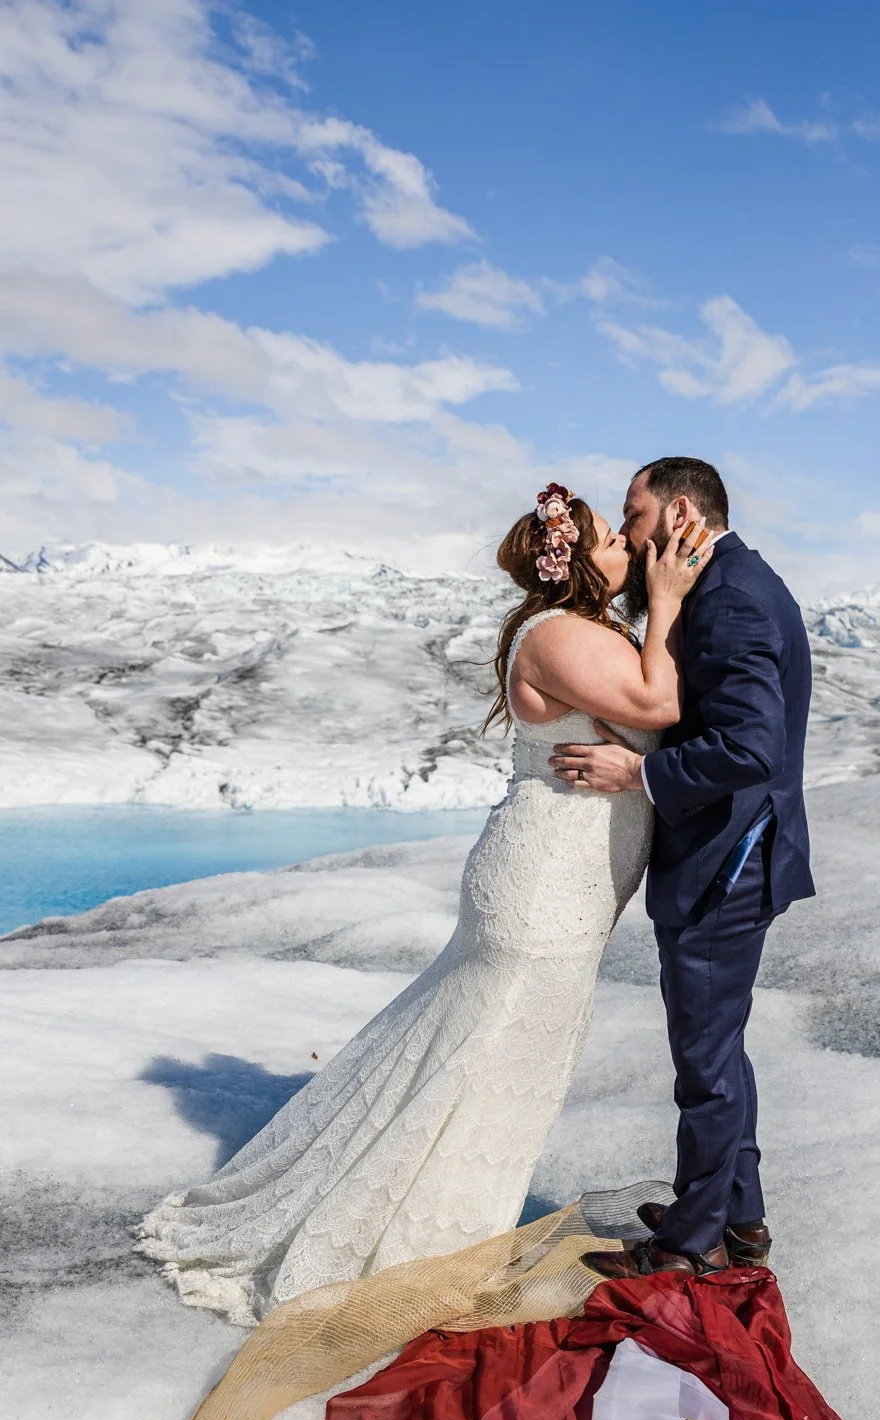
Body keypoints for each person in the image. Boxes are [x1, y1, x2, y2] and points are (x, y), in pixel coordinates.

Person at [137, 486, 713, 1324]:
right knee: (491, 1064)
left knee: (500, 1060)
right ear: (575, 564)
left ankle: (443, 1233)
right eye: (611, 538)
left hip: (568, 885)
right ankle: (417, 1255)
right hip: (543, 886)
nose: (629, 543)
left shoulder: (585, 630)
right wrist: (667, 600)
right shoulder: (558, 634)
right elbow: (660, 706)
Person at [549, 457, 814, 1280]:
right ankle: (739, 1217)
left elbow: (751, 745)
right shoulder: (726, 581)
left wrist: (639, 773)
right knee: (718, 1050)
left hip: (725, 861)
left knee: (704, 1065)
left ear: (681, 513)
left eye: (634, 516)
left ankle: (688, 1244)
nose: (628, 535)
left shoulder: (730, 598)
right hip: (730, 853)